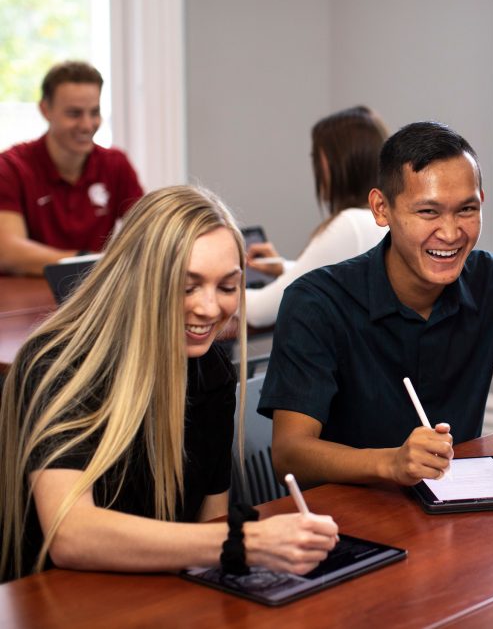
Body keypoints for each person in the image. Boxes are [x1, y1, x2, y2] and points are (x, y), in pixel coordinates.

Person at [0, 186, 337, 582]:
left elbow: (211, 519)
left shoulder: (211, 370)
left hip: (159, 591)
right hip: (62, 598)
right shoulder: (58, 364)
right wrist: (240, 541)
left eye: (227, 287)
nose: (210, 309)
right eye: (187, 285)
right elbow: (70, 534)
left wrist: (235, 546)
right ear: (138, 278)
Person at [258, 121, 493, 502]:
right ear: (381, 208)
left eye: (466, 210)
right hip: (346, 519)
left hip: (452, 518)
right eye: (428, 211)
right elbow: (289, 455)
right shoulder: (315, 302)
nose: (450, 232)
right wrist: (392, 463)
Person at [244, 106, 390, 328]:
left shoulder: (350, 224)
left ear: (338, 163)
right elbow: (342, 272)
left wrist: (218, 286)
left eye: (317, 157)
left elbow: (261, 311)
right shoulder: (381, 218)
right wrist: (284, 267)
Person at [0, 61, 144, 276]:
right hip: (28, 301)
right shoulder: (11, 167)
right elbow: (8, 252)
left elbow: (151, 231)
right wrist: (89, 261)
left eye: (94, 112)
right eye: (74, 114)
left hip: (95, 297)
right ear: (45, 110)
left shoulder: (116, 164)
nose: (87, 125)